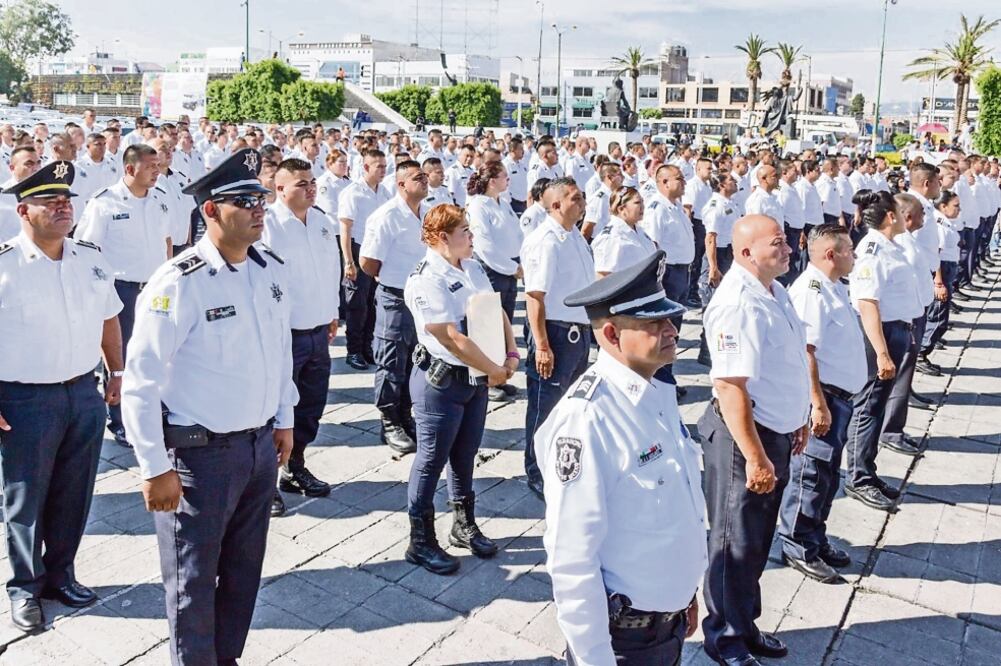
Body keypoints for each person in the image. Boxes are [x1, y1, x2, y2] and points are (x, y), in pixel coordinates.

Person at [121, 149, 297, 665]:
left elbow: (278, 351)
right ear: (211, 211)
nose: (259, 208)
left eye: (260, 198)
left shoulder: (266, 270)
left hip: (258, 448)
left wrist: (283, 419)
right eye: (244, 200)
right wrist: (153, 467)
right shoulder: (179, 281)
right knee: (193, 582)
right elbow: (141, 380)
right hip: (199, 458)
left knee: (244, 571)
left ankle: (226, 658)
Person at [536, 251, 704, 665]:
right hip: (624, 643)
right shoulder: (588, 419)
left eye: (669, 318)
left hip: (667, 625)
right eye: (654, 323)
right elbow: (572, 560)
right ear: (611, 334)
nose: (671, 329)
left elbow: (675, 514)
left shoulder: (654, 394)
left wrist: (685, 596)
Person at [0, 162, 124, 632]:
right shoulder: (4, 265)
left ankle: (61, 575)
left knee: (75, 494)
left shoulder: (91, 257)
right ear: (22, 211)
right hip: (22, 400)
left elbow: (109, 317)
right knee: (25, 498)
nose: (62, 207)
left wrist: (118, 370)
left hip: (83, 392)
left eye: (66, 200)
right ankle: (24, 588)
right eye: (50, 201)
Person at [699, 214, 810, 666]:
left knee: (758, 539)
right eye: (777, 243)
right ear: (746, 253)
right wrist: (757, 457)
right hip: (743, 439)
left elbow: (787, 363)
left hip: (774, 432)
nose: (788, 249)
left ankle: (745, 625)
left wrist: (797, 416)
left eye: (785, 241)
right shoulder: (736, 304)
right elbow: (730, 387)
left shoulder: (775, 290)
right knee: (734, 543)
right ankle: (724, 637)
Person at [403, 204, 518, 574]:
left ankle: (462, 524)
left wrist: (512, 352)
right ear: (441, 238)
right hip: (443, 380)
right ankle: (420, 541)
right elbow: (450, 337)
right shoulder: (425, 277)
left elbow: (494, 309)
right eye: (464, 231)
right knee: (431, 460)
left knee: (465, 455)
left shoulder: (470, 266)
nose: (471, 236)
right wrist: (495, 370)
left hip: (477, 378)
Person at [777, 224, 865, 584]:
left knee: (827, 478)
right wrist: (817, 404)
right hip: (824, 397)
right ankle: (797, 543)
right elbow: (806, 351)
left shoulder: (833, 287)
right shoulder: (812, 291)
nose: (854, 256)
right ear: (831, 254)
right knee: (811, 475)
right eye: (849, 250)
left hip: (839, 397)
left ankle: (815, 536)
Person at [75, 143, 173, 448]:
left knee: (158, 352)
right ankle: (119, 419)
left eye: (157, 165)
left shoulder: (160, 199)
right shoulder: (104, 203)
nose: (157, 171)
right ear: (130, 169)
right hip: (122, 290)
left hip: (155, 288)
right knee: (120, 357)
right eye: (150, 166)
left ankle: (153, 409)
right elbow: (87, 250)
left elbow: (166, 241)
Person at [262, 158, 342, 517]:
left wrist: (332, 312)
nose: (310, 188)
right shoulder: (268, 225)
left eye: (312, 182)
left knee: (310, 405)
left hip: (317, 329)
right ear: (280, 189)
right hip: (284, 334)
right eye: (301, 184)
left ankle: (295, 466)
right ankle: (266, 482)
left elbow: (331, 269)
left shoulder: (322, 221)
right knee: (277, 409)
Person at [843, 191, 924, 512]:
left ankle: (868, 469)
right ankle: (858, 477)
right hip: (880, 335)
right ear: (892, 216)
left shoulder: (891, 246)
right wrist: (882, 353)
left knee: (876, 407)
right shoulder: (873, 250)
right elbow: (867, 303)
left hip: (895, 330)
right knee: (868, 406)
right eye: (901, 213)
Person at [521, 177, 595, 498]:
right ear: (556, 205)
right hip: (555, 332)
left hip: (578, 332)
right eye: (576, 199)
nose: (582, 204)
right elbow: (535, 297)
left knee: (569, 405)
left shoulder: (573, 235)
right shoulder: (546, 240)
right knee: (545, 404)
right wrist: (542, 345)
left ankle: (561, 462)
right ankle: (536, 470)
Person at [360, 160, 430, 455]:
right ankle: (389, 421)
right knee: (391, 360)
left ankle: (405, 414)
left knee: (415, 358)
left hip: (422, 297)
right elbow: (368, 262)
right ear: (401, 184)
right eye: (418, 178)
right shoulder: (386, 216)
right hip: (395, 296)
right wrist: (388, 278)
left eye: (425, 176)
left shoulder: (427, 212)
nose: (425, 181)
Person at [464, 162, 523, 401]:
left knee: (503, 324)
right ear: (491, 181)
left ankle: (501, 373)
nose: (508, 180)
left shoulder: (504, 203)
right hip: (492, 269)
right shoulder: (479, 205)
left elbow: (517, 234)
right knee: (488, 326)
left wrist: (519, 265)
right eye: (503, 176)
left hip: (509, 269)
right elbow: (484, 245)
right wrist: (511, 268)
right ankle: (487, 379)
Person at [640, 164, 693, 391]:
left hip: (681, 272)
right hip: (668, 274)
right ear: (663, 182)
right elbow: (654, 245)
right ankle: (659, 380)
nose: (683, 182)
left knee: (675, 329)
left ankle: (666, 378)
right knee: (664, 329)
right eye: (678, 179)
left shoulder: (676, 206)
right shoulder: (656, 207)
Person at [339, 149, 391, 370]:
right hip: (358, 249)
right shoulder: (353, 192)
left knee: (373, 303)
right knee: (356, 305)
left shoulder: (385, 191)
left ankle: (367, 348)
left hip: (377, 251)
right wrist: (348, 261)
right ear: (366, 167)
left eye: (384, 166)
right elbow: (345, 229)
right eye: (378, 166)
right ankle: (353, 351)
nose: (383, 170)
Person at [696, 173, 740, 366]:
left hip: (728, 253)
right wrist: (713, 268)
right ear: (722, 185)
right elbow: (711, 239)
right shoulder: (715, 206)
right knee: (712, 304)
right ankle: (706, 353)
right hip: (717, 256)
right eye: (732, 180)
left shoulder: (730, 203)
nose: (736, 182)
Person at [920, 190, 962, 362]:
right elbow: (935, 253)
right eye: (956, 206)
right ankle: (922, 353)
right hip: (941, 270)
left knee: (939, 314)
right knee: (938, 315)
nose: (959, 209)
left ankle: (929, 341)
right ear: (943, 206)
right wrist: (938, 282)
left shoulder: (944, 221)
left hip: (947, 268)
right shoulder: (938, 223)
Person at [592, 185, 656, 277]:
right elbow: (603, 276)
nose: (642, 206)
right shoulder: (611, 237)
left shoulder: (638, 230)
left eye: (642, 201)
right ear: (621, 209)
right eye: (637, 203)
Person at [581, 162, 622, 241]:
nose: (623, 178)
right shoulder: (599, 199)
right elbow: (586, 229)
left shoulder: (614, 195)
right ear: (610, 177)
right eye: (619, 175)